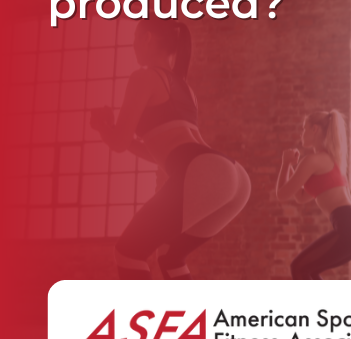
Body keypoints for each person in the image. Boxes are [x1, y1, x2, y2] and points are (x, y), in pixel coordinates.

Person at [90, 20, 250, 279]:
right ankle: (193, 320)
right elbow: (159, 153)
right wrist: (114, 132)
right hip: (234, 177)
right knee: (171, 257)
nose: (132, 46)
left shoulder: (143, 77)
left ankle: (142, 320)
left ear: (148, 38)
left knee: (129, 251)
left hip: (204, 170)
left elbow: (118, 143)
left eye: (134, 38)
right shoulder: (186, 89)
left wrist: (102, 127)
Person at [276, 110, 351, 279]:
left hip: (350, 223)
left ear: (314, 129)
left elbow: (282, 194)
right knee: (308, 270)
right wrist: (292, 167)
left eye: (304, 129)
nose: (301, 134)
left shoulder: (312, 161)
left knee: (299, 267)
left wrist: (285, 163)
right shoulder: (331, 160)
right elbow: (300, 196)